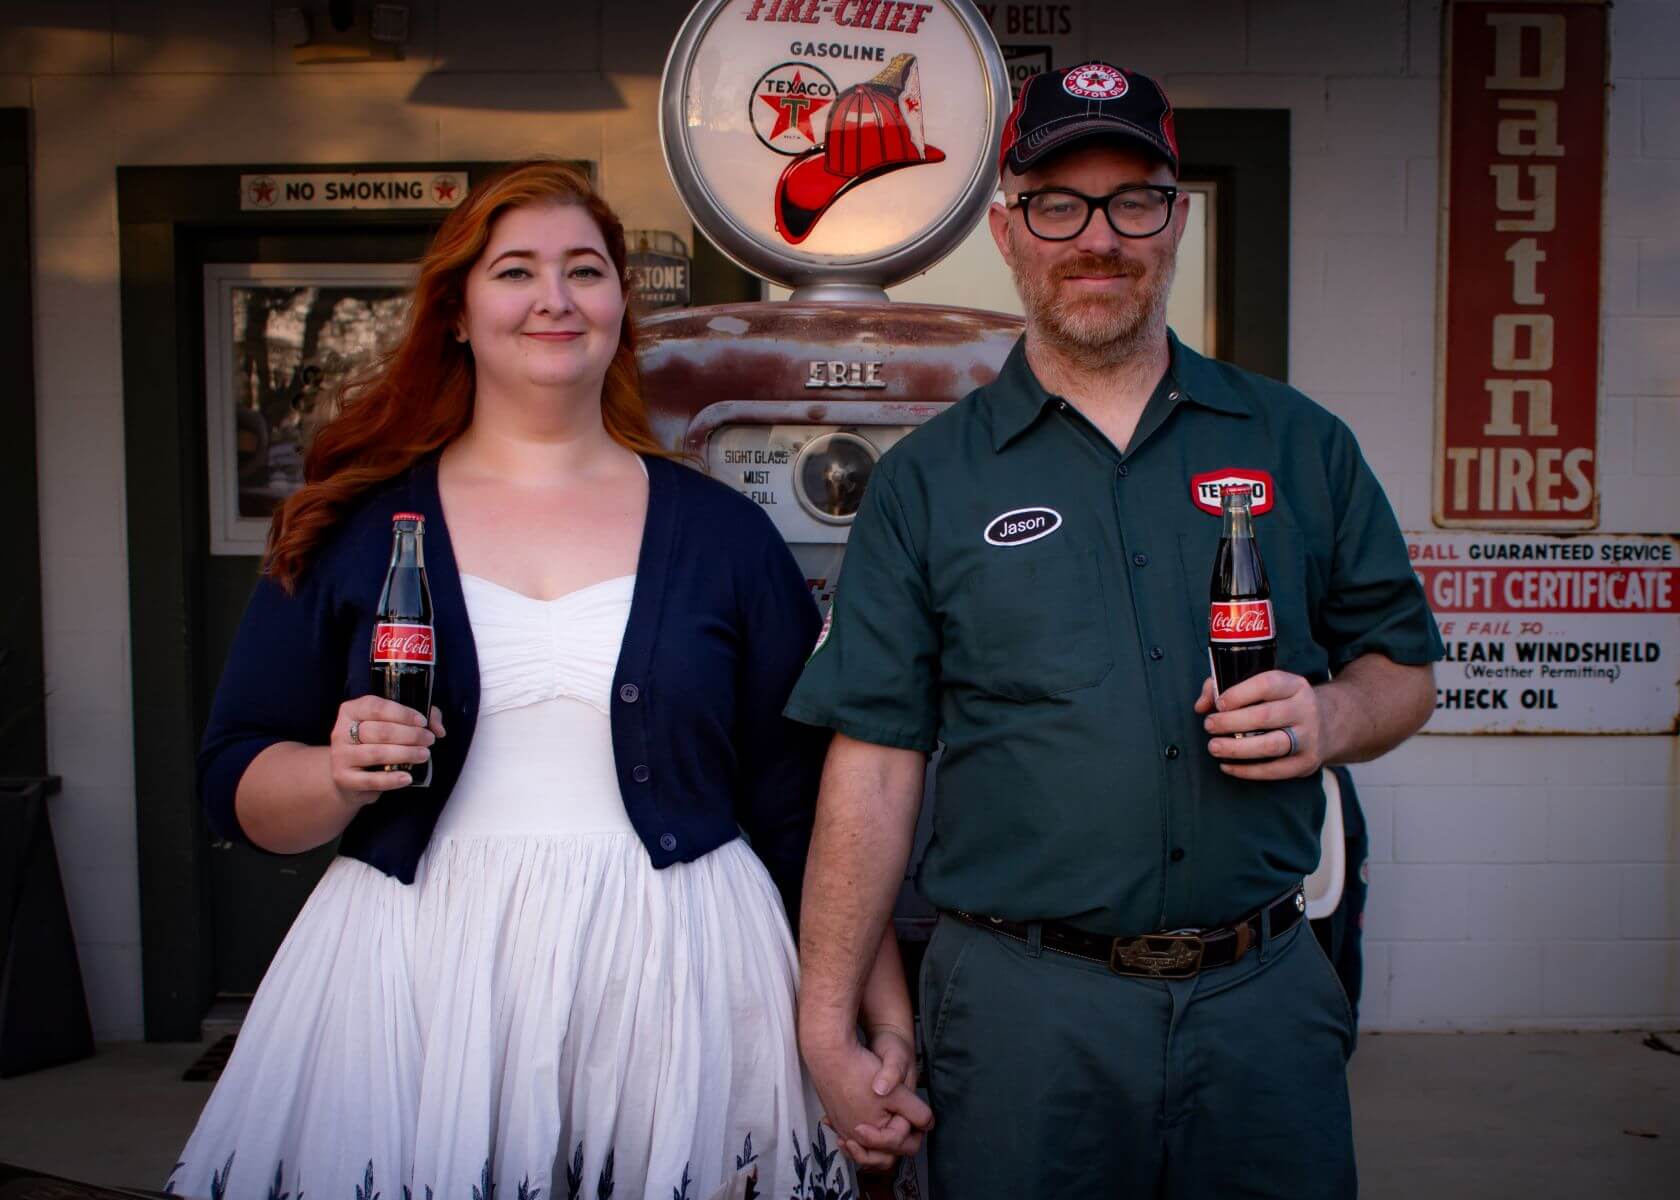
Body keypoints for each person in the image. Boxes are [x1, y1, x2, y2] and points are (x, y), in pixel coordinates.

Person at [786, 63, 1444, 1196]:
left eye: (1134, 200)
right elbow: (876, 767)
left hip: (1263, 1000)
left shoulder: (1300, 444)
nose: (1100, 238)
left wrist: (1331, 713)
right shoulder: (929, 482)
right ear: (1007, 228)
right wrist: (824, 1020)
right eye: (1059, 204)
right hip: (1021, 1013)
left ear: (1176, 218)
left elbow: (1406, 672)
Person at [167, 161, 870, 1200]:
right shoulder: (351, 527)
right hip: (420, 973)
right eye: (515, 271)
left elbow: (801, 809)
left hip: (680, 973)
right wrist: (336, 771)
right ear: (456, 309)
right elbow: (237, 782)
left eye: (585, 270)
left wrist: (858, 1017)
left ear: (621, 304)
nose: (554, 298)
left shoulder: (724, 534)